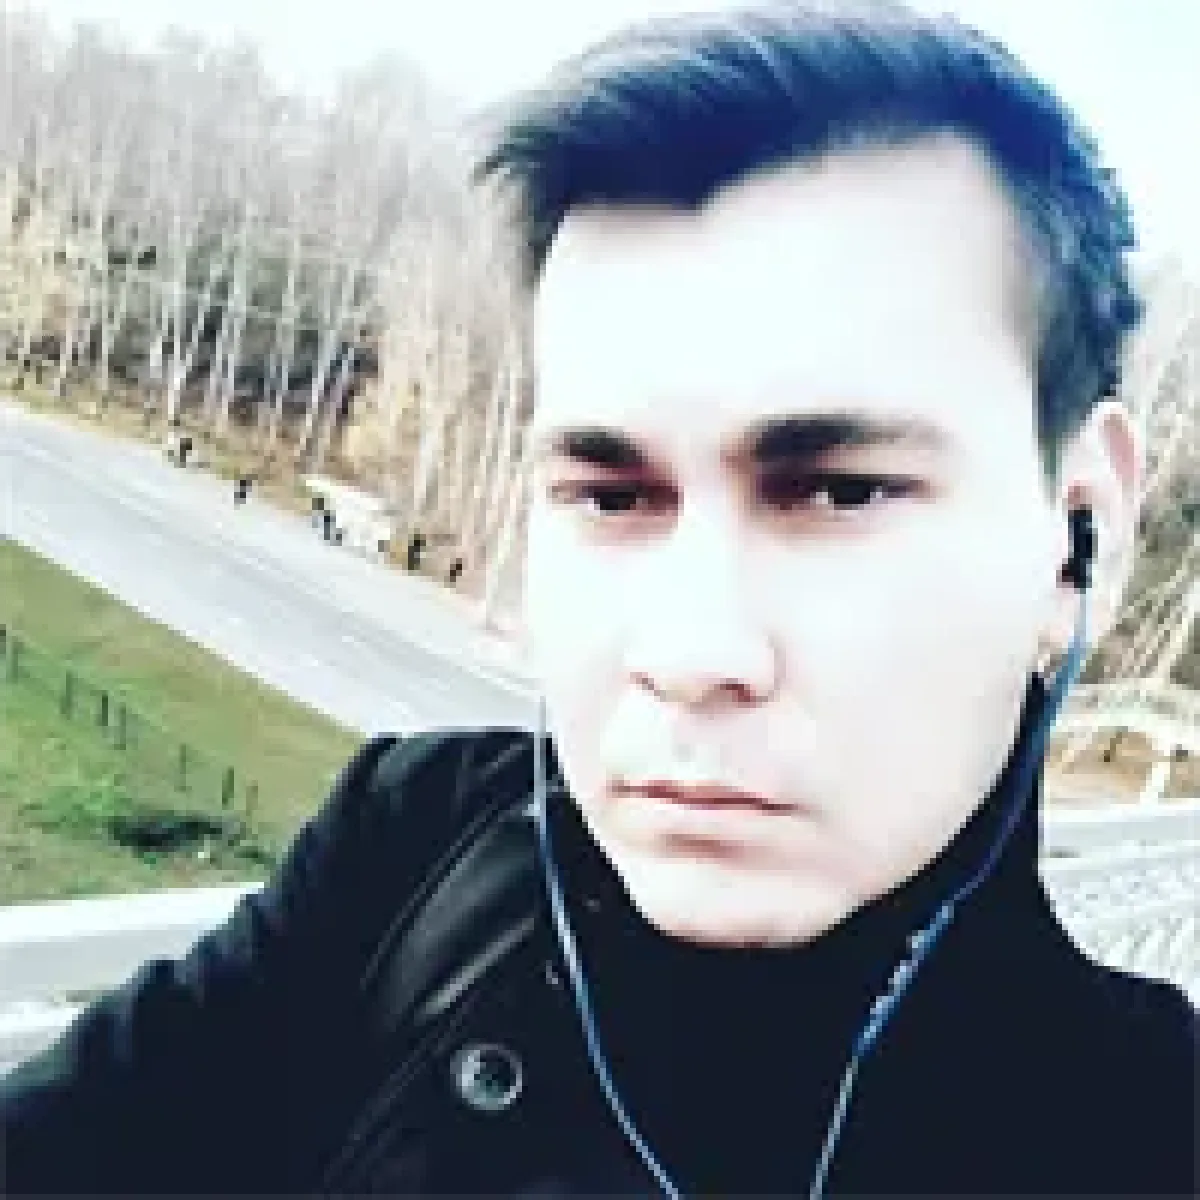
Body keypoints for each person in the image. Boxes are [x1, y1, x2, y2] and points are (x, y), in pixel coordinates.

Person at [2, 4, 1196, 1198]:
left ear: (1079, 535)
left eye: (839, 491)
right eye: (613, 496)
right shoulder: (417, 852)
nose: (689, 651)